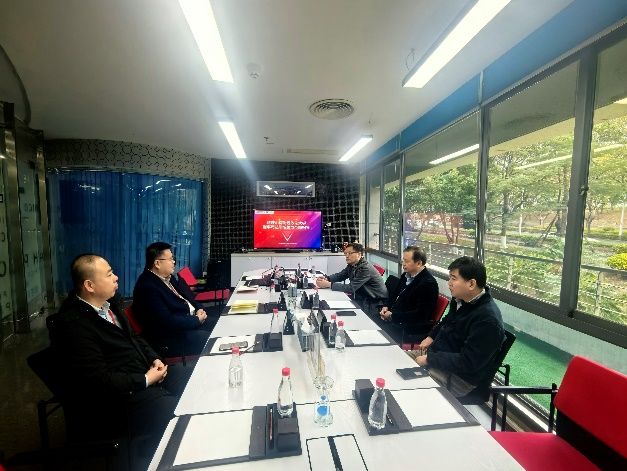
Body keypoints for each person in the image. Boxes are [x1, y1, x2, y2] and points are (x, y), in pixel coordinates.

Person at [49, 254, 191, 465]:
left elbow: (135, 338)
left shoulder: (110, 304)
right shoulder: (73, 324)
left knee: (192, 377)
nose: (116, 277)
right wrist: (145, 380)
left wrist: (155, 358)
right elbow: (98, 380)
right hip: (121, 398)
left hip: (144, 372)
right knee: (179, 412)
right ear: (89, 285)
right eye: (109, 274)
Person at [412, 256, 505, 398]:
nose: (449, 283)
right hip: (438, 356)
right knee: (396, 361)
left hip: (458, 378)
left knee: (408, 386)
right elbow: (447, 321)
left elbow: (468, 362)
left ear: (471, 284)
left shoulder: (488, 320)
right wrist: (431, 336)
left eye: (453, 278)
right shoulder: (462, 300)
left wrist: (429, 359)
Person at [133, 242, 214, 357]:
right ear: (157, 263)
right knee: (214, 339)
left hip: (189, 321)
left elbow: (187, 298)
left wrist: (199, 308)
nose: (174, 262)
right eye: (170, 259)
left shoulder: (167, 277)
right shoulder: (147, 287)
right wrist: (196, 320)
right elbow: (168, 322)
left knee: (221, 325)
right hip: (172, 337)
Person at [379, 246, 438, 343]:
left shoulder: (428, 284)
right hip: (395, 318)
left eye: (406, 261)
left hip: (407, 327)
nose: (403, 264)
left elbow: (421, 315)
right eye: (403, 260)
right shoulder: (406, 275)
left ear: (418, 263)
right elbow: (394, 295)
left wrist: (393, 316)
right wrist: (386, 306)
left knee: (376, 332)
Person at [315, 242, 387, 314]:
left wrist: (328, 284)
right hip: (362, 297)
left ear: (359, 254)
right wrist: (327, 278)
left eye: (350, 253)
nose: (347, 256)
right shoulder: (352, 264)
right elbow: (341, 275)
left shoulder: (365, 269)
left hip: (373, 303)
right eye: (345, 253)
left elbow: (351, 288)